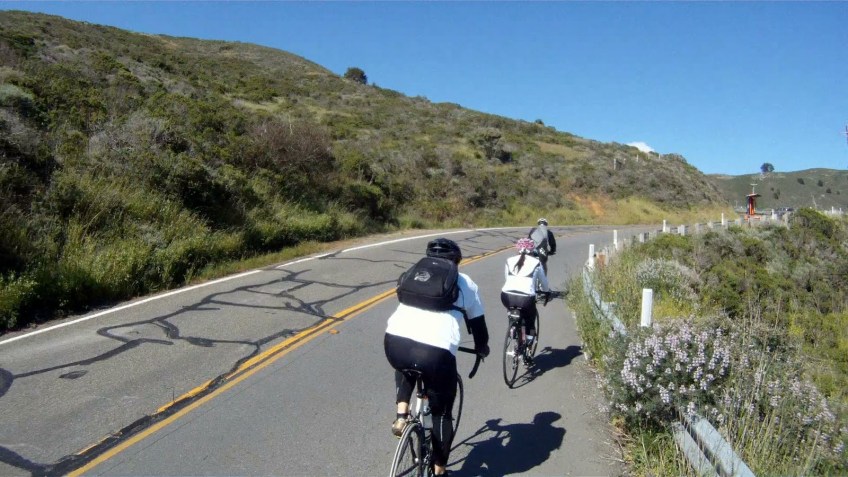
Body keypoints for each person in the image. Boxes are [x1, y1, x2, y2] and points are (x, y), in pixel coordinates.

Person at [384, 238, 489, 477]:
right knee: (441, 414)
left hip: (394, 341)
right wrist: (482, 347)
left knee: (406, 363)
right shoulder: (466, 283)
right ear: (456, 262)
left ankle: (401, 415)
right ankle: (439, 470)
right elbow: (478, 325)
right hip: (436, 353)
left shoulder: (415, 276)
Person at [500, 238, 550, 366]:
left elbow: (507, 278)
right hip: (526, 299)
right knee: (530, 322)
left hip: (506, 296)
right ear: (532, 250)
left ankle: (513, 329)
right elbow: (543, 282)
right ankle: (528, 347)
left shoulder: (509, 260)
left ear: (517, 249)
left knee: (512, 311)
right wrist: (546, 293)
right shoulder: (536, 262)